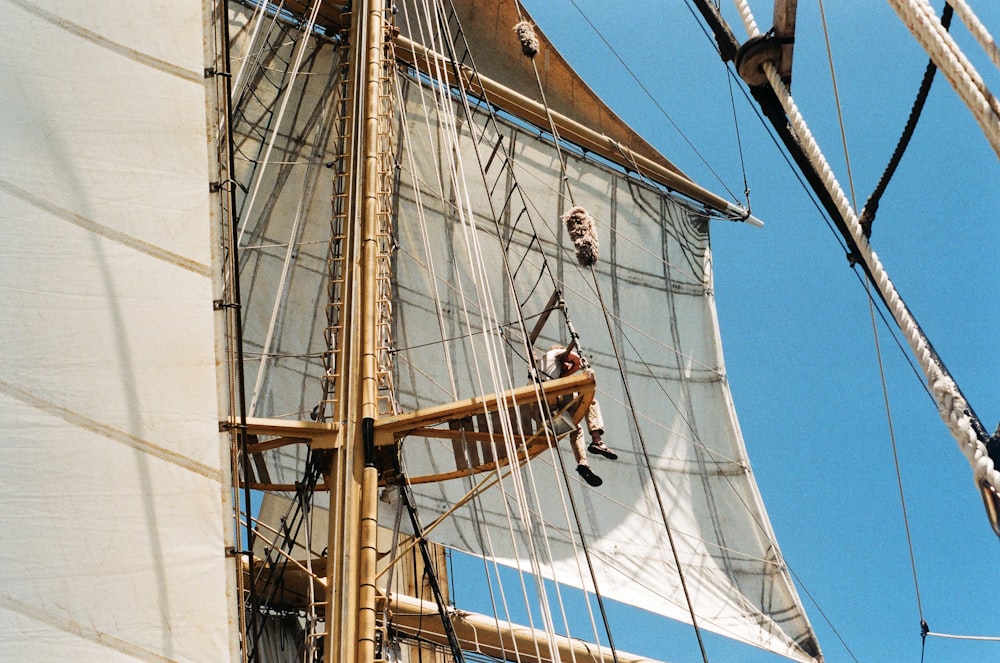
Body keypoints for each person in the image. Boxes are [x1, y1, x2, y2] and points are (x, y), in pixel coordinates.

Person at [537, 344, 617, 487]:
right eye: (566, 362)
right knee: (590, 401)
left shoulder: (542, 369)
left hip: (547, 421)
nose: (568, 366)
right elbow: (578, 361)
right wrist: (570, 369)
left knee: (575, 428)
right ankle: (597, 440)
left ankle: (583, 463)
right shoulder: (555, 354)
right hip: (550, 410)